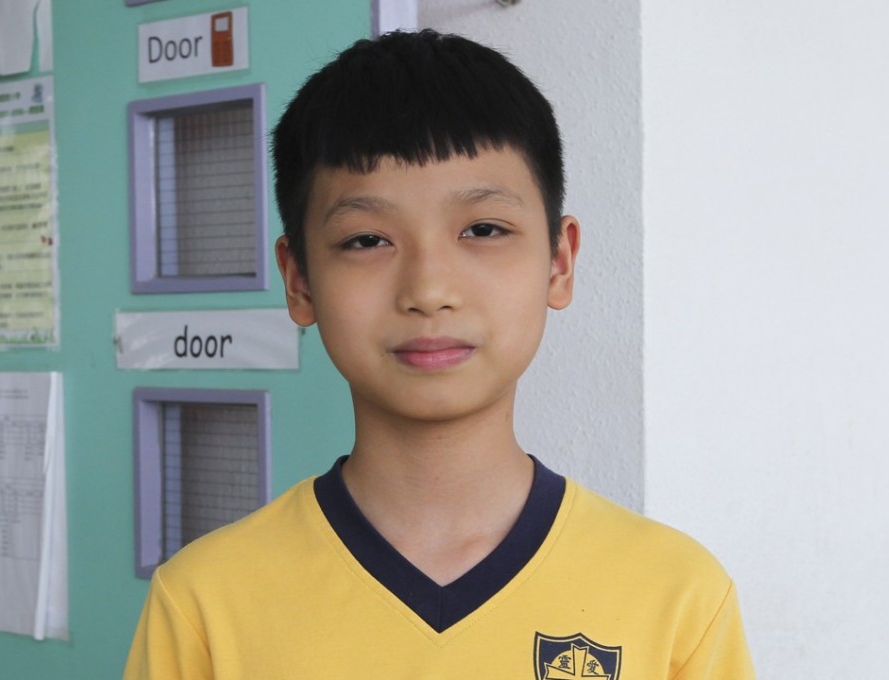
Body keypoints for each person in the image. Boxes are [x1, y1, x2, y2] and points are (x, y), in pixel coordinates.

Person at [123, 29, 754, 679]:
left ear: (559, 262)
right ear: (300, 280)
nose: (428, 290)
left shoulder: (676, 597)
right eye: (367, 239)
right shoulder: (204, 606)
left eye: (483, 230)